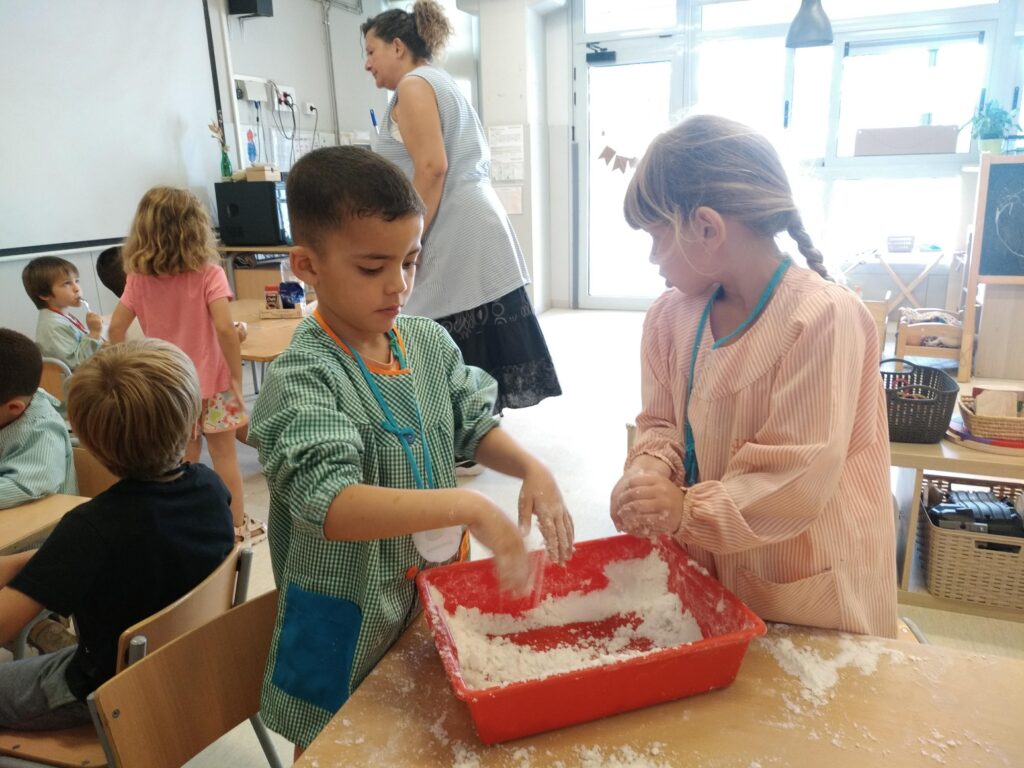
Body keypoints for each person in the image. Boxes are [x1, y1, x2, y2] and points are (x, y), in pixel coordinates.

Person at [247, 145, 574, 754]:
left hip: (423, 596)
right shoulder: (304, 376)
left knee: (421, 734)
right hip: (345, 615)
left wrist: (531, 466)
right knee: (339, 746)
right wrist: (469, 507)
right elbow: (331, 503)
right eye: (373, 267)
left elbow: (471, 424)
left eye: (411, 261)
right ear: (308, 265)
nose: (398, 285)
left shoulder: (426, 342)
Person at [609, 115, 897, 638]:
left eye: (656, 236)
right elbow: (660, 424)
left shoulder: (822, 317)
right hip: (714, 570)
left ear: (707, 228)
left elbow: (795, 479)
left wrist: (685, 511)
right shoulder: (669, 317)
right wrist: (648, 474)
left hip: (807, 581)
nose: (652, 259)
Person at [0, 339, 235, 730]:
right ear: (194, 420)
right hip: (186, 668)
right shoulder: (210, 488)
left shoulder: (91, 529)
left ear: (89, 444)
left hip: (106, 694)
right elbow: (113, 555)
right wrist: (29, 561)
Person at [361, 0, 562, 416]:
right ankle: (471, 431)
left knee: (439, 346)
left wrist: (408, 243)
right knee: (469, 354)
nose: (367, 64)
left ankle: (460, 434)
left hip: (453, 224)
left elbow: (432, 168)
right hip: (472, 218)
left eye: (371, 51)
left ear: (397, 46)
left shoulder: (414, 86)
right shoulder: (440, 81)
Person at [108, 187, 258, 540]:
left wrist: (137, 372)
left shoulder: (138, 278)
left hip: (171, 386)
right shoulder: (209, 273)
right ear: (196, 227)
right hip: (215, 384)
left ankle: (195, 527)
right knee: (225, 458)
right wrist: (236, 379)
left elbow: (115, 329)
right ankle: (237, 528)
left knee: (184, 462)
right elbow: (225, 328)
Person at [0, 328, 76, 509]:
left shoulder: (42, 430)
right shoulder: (7, 408)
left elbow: (24, 486)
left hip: (41, 522)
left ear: (14, 407)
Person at [21, 256, 103, 370]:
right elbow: (77, 364)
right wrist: (94, 333)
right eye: (67, 283)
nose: (77, 288)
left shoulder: (61, 317)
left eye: (77, 281)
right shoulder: (52, 326)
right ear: (44, 294)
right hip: (82, 378)